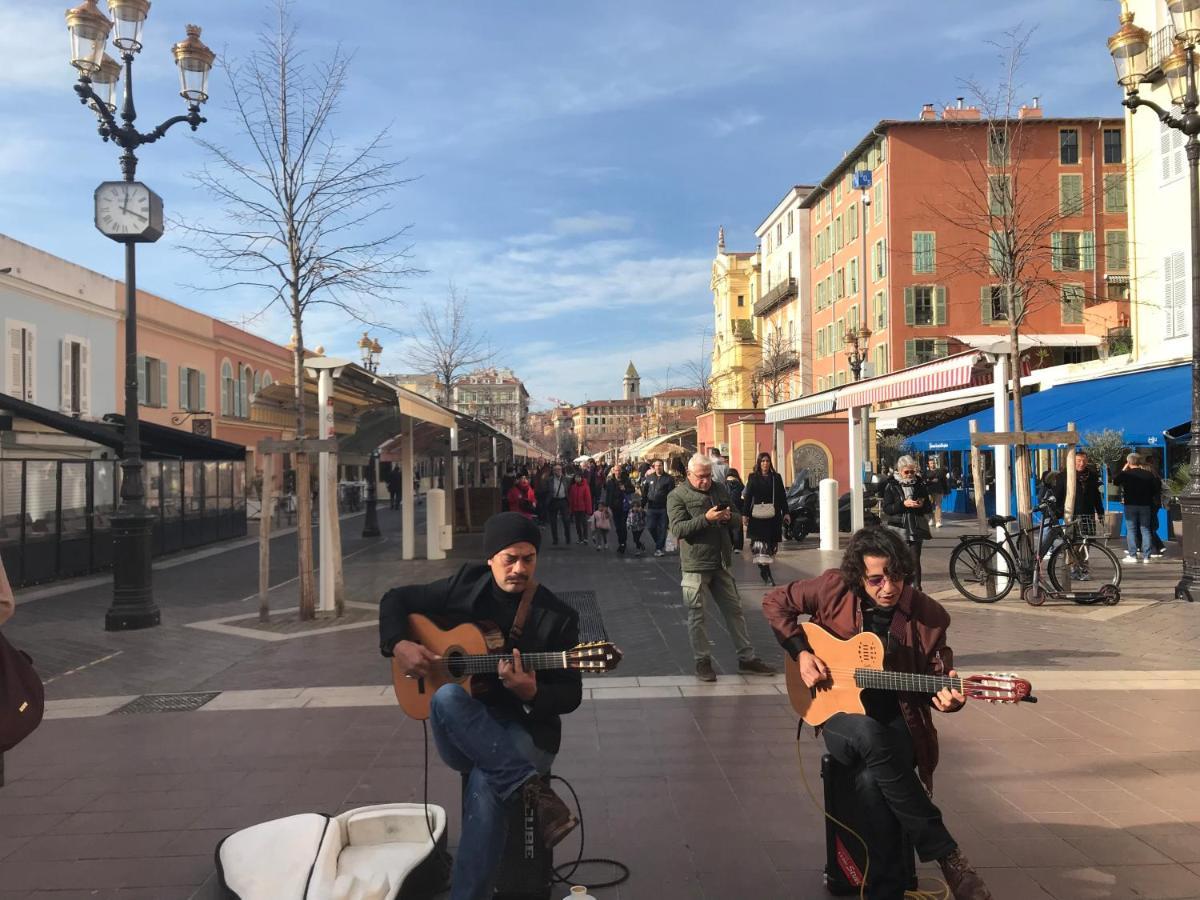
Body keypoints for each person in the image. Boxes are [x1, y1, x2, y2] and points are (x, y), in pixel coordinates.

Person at [762, 527, 992, 900]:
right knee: (868, 734)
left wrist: (952, 699)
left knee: (872, 783)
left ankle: (887, 890)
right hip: (835, 712)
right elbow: (775, 602)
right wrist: (801, 652)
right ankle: (948, 856)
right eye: (876, 579)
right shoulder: (832, 588)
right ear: (858, 576)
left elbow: (938, 678)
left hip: (898, 719)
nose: (888, 587)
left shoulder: (929, 616)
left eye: (897, 576)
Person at [379, 513, 582, 900]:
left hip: (526, 733)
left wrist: (530, 693)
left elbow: (571, 695)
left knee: (487, 783)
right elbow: (395, 599)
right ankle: (531, 789)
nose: (520, 568)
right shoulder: (464, 587)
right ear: (490, 558)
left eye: (529, 558)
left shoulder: (557, 616)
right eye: (510, 558)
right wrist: (399, 644)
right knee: (446, 696)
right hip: (463, 729)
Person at [668, 452, 777, 682]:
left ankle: (747, 659)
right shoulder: (677, 495)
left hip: (721, 561)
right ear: (689, 474)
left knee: (735, 611)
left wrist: (728, 518)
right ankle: (703, 662)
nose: (705, 480)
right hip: (695, 564)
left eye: (708, 475)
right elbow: (678, 530)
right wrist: (706, 519)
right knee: (697, 615)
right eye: (700, 477)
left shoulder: (719, 489)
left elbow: (738, 519)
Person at [880, 456, 932, 589]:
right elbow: (887, 509)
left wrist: (921, 505)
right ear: (899, 470)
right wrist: (903, 504)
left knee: (915, 560)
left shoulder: (920, 485)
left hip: (915, 527)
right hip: (897, 527)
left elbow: (928, 507)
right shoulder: (891, 485)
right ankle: (895, 587)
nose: (910, 475)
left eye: (912, 472)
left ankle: (917, 590)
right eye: (906, 472)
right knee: (896, 560)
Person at [742, 452, 790, 586]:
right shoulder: (753, 477)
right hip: (757, 517)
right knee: (760, 548)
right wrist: (745, 514)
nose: (765, 463)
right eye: (762, 461)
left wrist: (786, 513)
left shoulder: (776, 477)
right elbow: (748, 497)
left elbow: (782, 496)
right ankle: (766, 574)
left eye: (767, 461)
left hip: (773, 517)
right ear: (758, 463)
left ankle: (764, 568)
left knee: (771, 549)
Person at [1114, 452, 1160, 564]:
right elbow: (1156, 488)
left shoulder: (1127, 474)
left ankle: (1133, 555)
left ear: (1129, 462)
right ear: (1140, 462)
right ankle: (1146, 556)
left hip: (1130, 505)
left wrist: (1124, 469)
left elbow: (1115, 481)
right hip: (1145, 505)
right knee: (1145, 529)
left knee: (1131, 530)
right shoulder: (1148, 474)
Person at [640, 459, 675, 558]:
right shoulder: (650, 478)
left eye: (660, 465)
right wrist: (642, 505)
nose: (658, 467)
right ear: (653, 467)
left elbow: (672, 495)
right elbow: (644, 493)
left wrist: (671, 507)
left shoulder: (669, 479)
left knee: (663, 528)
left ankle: (659, 548)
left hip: (663, 508)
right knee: (651, 527)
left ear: (662, 466)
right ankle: (659, 542)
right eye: (656, 465)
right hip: (651, 507)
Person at [603, 466, 632, 554]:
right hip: (614, 507)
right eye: (616, 471)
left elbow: (632, 489)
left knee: (623, 526)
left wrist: (625, 489)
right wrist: (606, 506)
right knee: (618, 527)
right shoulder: (610, 481)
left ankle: (623, 543)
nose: (618, 472)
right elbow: (607, 494)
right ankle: (621, 542)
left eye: (619, 470)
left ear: (621, 471)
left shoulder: (626, 480)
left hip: (624, 506)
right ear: (613, 472)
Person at [544, 464, 573, 547]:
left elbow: (569, 489)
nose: (558, 471)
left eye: (559, 469)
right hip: (553, 501)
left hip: (563, 501)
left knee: (566, 520)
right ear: (553, 471)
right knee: (553, 522)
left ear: (561, 470)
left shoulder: (566, 479)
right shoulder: (549, 480)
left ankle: (568, 538)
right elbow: (547, 491)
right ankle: (555, 539)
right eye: (556, 470)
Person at [567, 473, 592, 545]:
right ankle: (580, 538)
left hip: (583, 508)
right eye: (576, 478)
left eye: (578, 477)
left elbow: (588, 499)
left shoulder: (585, 486)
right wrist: (570, 509)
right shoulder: (573, 487)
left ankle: (585, 538)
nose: (576, 479)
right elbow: (571, 498)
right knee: (577, 524)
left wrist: (589, 510)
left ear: (581, 478)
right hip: (575, 508)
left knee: (584, 524)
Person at [724, 467, 745, 553]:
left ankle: (730, 544)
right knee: (738, 528)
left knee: (727, 527)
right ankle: (738, 547)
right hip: (738, 509)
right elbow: (743, 498)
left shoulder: (724, 484)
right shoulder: (740, 485)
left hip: (727, 509)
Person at [923, 458, 948, 529]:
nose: (932, 464)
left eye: (933, 463)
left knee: (938, 506)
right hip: (929, 491)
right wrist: (931, 481)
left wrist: (945, 491)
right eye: (931, 463)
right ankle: (931, 519)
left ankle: (938, 521)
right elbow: (924, 481)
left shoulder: (939, 472)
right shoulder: (926, 472)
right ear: (929, 464)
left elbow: (943, 482)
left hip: (938, 491)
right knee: (929, 505)